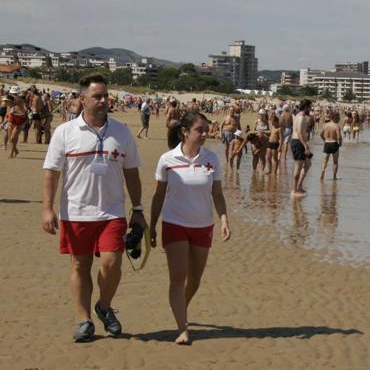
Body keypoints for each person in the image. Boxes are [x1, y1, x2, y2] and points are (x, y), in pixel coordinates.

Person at [41, 74, 145, 342]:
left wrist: (138, 208)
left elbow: (132, 172)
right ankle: (84, 320)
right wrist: (47, 208)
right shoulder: (65, 132)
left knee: (112, 263)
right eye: (97, 96)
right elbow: (51, 172)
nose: (103, 101)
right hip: (76, 212)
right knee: (80, 266)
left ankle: (104, 306)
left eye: (105, 96)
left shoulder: (121, 131)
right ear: (82, 98)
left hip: (112, 212)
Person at [149, 111, 231, 345]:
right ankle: (182, 328)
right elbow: (158, 195)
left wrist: (224, 218)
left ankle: (180, 307)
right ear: (185, 132)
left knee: (194, 280)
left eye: (207, 129)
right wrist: (152, 225)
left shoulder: (211, 159)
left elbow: (217, 194)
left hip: (203, 226)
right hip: (174, 224)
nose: (206, 134)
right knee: (178, 278)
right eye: (200, 130)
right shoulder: (167, 160)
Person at [291, 99, 313, 196]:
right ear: (306, 107)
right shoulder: (300, 117)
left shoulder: (302, 116)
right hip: (298, 142)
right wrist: (305, 145)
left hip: (302, 143)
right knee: (298, 167)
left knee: (308, 164)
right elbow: (299, 133)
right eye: (310, 107)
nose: (311, 109)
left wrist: (306, 144)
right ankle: (294, 190)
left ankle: (299, 185)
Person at [5, 86, 28, 158]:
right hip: (11, 120)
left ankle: (14, 152)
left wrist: (15, 112)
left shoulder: (20, 100)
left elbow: (24, 112)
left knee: (12, 138)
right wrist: (5, 120)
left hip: (19, 121)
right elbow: (8, 110)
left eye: (14, 93)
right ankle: (13, 152)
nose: (13, 95)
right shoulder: (9, 98)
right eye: (12, 93)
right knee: (11, 139)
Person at [320, 111, 342, 180]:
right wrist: (340, 143)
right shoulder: (336, 126)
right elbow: (339, 137)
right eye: (338, 117)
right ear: (335, 117)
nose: (339, 119)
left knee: (325, 161)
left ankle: (323, 171)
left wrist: (324, 140)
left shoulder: (325, 125)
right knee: (335, 162)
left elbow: (321, 134)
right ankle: (334, 177)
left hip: (327, 143)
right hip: (334, 143)